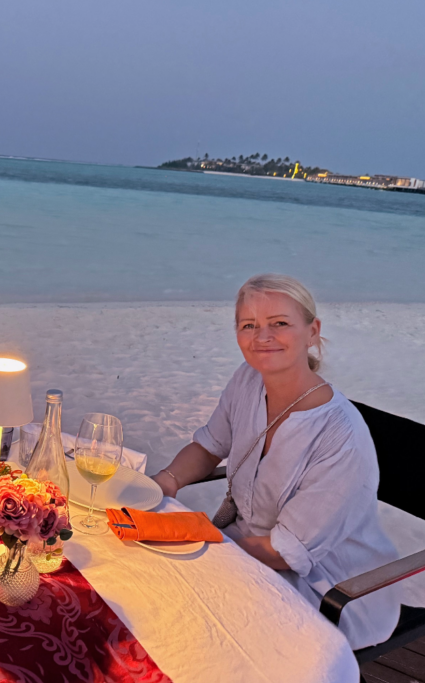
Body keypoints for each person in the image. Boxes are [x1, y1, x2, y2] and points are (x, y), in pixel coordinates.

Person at [151, 273, 400, 649]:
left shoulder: (340, 435)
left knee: (187, 621)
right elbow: (209, 446)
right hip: (243, 550)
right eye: (249, 325)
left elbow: (286, 552)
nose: (262, 337)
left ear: (312, 332)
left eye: (279, 323)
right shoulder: (249, 378)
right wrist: (162, 484)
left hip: (332, 588)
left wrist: (193, 541)